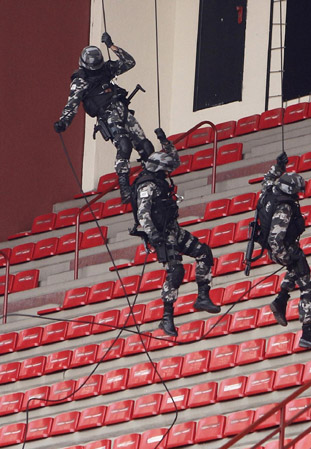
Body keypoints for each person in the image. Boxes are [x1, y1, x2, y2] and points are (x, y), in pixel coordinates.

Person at [131, 128, 221, 337]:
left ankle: (202, 297)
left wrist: (165, 141)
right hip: (161, 235)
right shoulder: (148, 186)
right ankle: (167, 318)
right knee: (176, 271)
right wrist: (153, 236)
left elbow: (174, 160)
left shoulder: (159, 178)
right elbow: (143, 214)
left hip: (173, 229)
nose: (167, 173)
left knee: (203, 252)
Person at [53, 32, 154, 203]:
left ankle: (153, 178)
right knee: (124, 145)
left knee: (145, 145)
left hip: (122, 110)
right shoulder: (81, 81)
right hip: (107, 116)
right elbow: (72, 104)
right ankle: (125, 189)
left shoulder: (106, 69)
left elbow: (129, 62)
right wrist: (64, 122)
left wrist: (112, 46)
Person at [257, 152, 311, 352]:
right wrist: (286, 256)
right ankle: (307, 332)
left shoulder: (269, 191)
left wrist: (279, 165)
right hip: (283, 248)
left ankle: (281, 300)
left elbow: (268, 178)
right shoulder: (284, 207)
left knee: (296, 269)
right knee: (309, 287)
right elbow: (275, 238)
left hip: (279, 248)